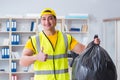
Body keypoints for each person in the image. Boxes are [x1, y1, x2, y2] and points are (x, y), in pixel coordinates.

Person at [19, 8, 100, 80]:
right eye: (44, 19)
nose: (47, 22)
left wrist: (93, 43)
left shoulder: (66, 38)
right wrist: (36, 57)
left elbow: (83, 50)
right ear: (41, 21)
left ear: (55, 21)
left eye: (50, 18)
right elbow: (22, 62)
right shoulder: (34, 40)